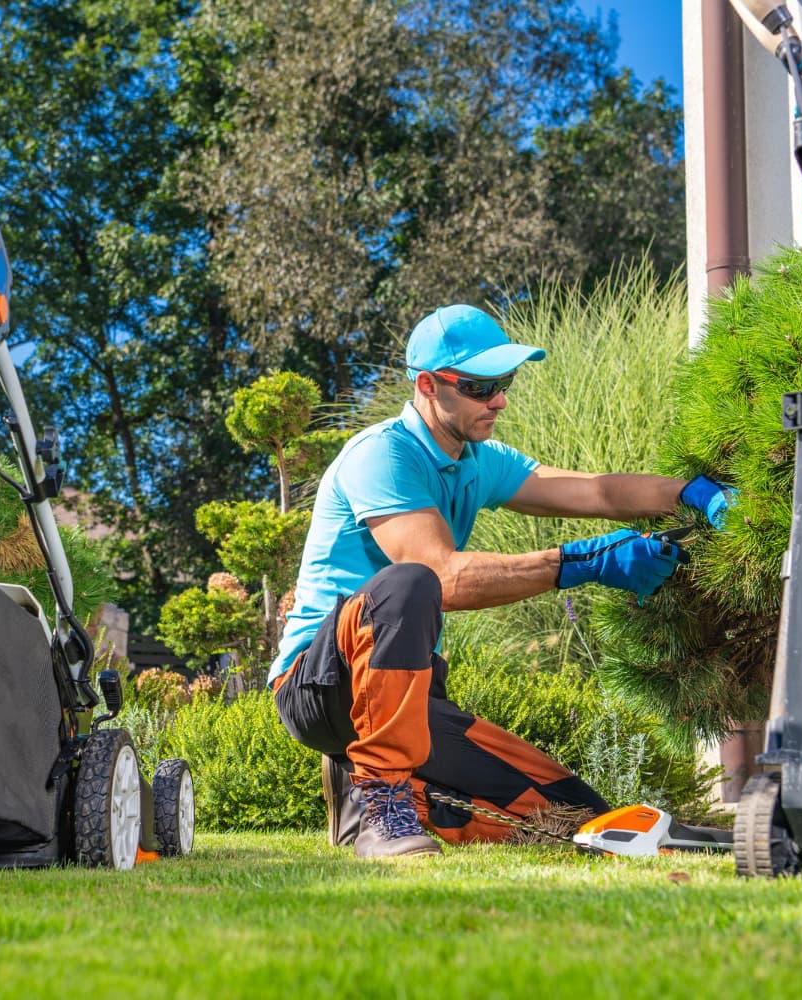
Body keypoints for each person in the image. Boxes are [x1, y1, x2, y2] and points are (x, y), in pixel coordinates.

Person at [268, 304, 735, 858]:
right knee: (410, 581)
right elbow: (441, 576)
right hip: (322, 682)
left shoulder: (476, 460)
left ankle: (373, 796)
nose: (500, 400)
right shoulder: (382, 456)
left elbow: (596, 492)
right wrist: (579, 564)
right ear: (427, 385)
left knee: (576, 815)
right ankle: (385, 807)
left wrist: (690, 493)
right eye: (479, 386)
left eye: (505, 382)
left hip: (407, 694)